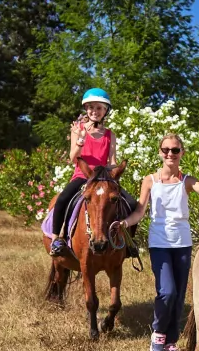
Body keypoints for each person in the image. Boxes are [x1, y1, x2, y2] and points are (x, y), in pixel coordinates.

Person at [120, 134, 199, 351]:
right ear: (159, 152)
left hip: (182, 243)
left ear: (182, 152)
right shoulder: (150, 181)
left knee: (179, 294)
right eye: (166, 150)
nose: (170, 154)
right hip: (159, 243)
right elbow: (139, 212)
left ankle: (171, 341)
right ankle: (158, 333)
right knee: (167, 291)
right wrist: (124, 223)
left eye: (175, 150)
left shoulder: (187, 181)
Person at [49, 88, 138, 257]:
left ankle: (128, 243)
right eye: (91, 107)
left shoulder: (110, 135)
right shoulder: (78, 129)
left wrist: (115, 174)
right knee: (62, 200)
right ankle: (57, 239)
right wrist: (80, 141)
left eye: (99, 108)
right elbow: (73, 158)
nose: (95, 111)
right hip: (83, 176)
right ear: (86, 109)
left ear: (105, 111)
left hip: (104, 178)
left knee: (132, 204)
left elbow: (111, 161)